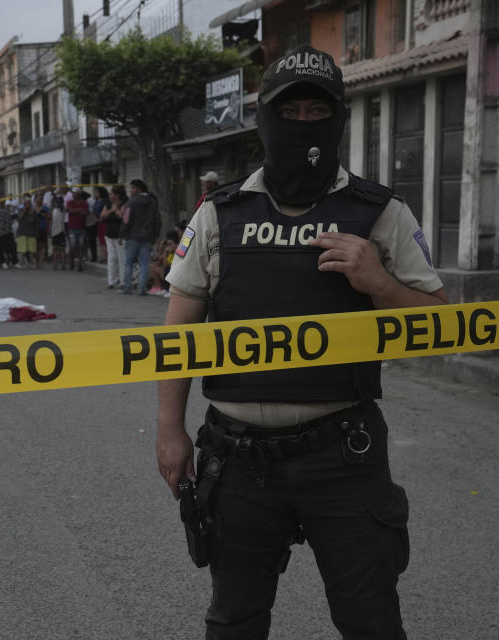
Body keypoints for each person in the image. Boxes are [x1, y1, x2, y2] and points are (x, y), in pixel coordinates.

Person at [156, 45, 448, 639]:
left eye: (319, 112)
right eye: (291, 113)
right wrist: (169, 429)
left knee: (370, 619)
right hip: (237, 460)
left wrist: (379, 282)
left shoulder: (379, 213)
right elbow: (177, 334)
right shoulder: (219, 213)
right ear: (264, 118)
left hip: (344, 454)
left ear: (339, 120)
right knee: (235, 618)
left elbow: (439, 326)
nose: (305, 125)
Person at [120, 178, 160, 294]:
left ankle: (127, 287)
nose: (131, 191)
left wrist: (122, 235)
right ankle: (142, 289)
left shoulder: (131, 203)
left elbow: (126, 220)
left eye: (132, 188)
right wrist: (155, 235)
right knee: (144, 263)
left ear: (139, 189)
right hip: (147, 237)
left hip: (132, 237)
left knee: (128, 262)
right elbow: (157, 220)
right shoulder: (152, 202)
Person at [100, 185, 126, 289]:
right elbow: (102, 216)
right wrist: (112, 210)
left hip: (120, 236)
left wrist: (115, 210)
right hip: (109, 235)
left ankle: (122, 281)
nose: (110, 195)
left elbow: (122, 216)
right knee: (112, 257)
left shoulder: (124, 204)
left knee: (121, 258)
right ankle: (111, 281)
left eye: (112, 194)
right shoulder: (108, 204)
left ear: (117, 195)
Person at [147, 229, 178, 296]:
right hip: (167, 271)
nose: (169, 245)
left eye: (170, 243)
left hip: (173, 272)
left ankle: (167, 289)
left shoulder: (178, 249)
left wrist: (166, 254)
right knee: (152, 267)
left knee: (163, 269)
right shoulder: (168, 249)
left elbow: (169, 265)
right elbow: (159, 259)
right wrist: (161, 248)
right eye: (168, 243)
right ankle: (160, 287)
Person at [65, 190, 89, 271]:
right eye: (74, 193)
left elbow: (85, 213)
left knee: (81, 247)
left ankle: (79, 264)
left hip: (82, 228)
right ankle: (71, 263)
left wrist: (75, 210)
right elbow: (69, 210)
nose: (75, 194)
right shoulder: (70, 202)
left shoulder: (84, 203)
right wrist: (79, 210)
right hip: (72, 228)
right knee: (72, 247)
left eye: (77, 193)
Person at [15, 195, 38, 268]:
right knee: (22, 249)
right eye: (26, 203)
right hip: (22, 232)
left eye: (29, 203)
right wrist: (25, 210)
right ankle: (22, 263)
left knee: (32, 249)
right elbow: (19, 219)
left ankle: (33, 264)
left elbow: (35, 222)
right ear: (24, 204)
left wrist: (37, 232)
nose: (28, 204)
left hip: (31, 232)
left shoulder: (33, 211)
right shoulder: (21, 210)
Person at [50, 197, 66, 270]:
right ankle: (62, 264)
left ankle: (55, 265)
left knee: (55, 249)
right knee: (62, 249)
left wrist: (50, 231)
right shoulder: (63, 210)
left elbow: (52, 222)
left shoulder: (54, 211)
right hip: (61, 231)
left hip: (55, 232)